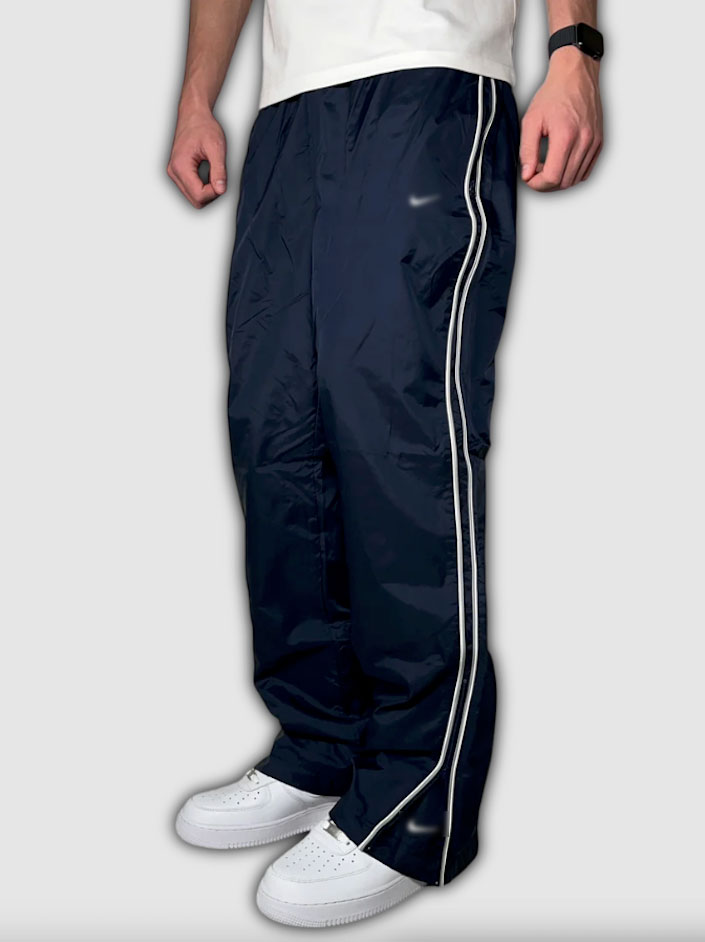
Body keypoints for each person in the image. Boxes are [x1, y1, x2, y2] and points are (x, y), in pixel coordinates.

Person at [167, 0, 604, 928]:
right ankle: (321, 741)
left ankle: (417, 799)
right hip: (288, 109)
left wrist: (573, 52)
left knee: (394, 427)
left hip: (425, 76)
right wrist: (198, 96)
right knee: (276, 431)